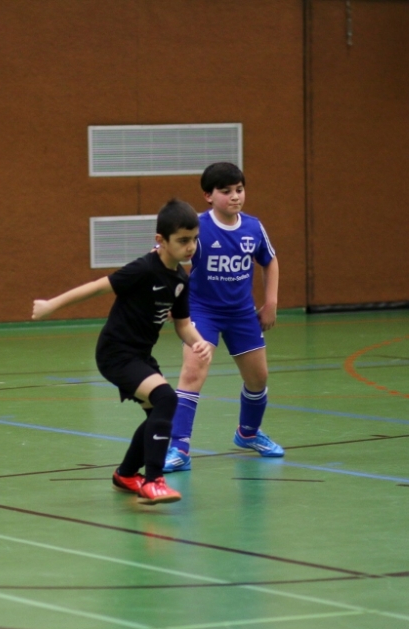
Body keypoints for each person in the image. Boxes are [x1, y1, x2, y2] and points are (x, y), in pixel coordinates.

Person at [32, 199, 213, 503]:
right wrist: (52, 305)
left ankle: (127, 474)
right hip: (115, 353)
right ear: (161, 240)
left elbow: (182, 324)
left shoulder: (181, 279)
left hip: (140, 356)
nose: (191, 246)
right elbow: (97, 287)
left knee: (157, 412)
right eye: (183, 240)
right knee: (166, 399)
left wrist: (198, 341)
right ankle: (153, 480)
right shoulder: (144, 269)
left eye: (194, 239)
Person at [163, 162, 282, 473]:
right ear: (208, 196)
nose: (235, 196)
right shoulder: (197, 228)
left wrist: (270, 302)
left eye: (239, 190)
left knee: (258, 378)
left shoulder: (253, 227)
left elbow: (269, 261)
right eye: (226, 191)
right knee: (193, 373)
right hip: (203, 311)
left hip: (242, 313)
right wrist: (169, 299)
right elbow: (165, 259)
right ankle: (179, 448)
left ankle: (248, 433)